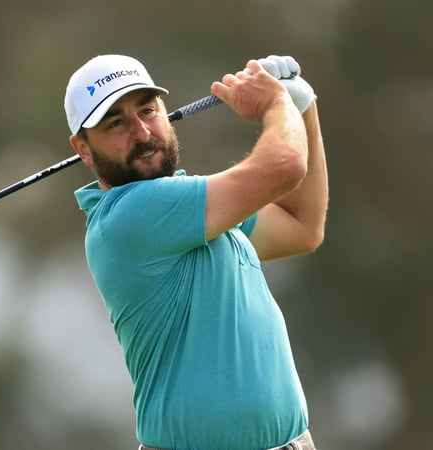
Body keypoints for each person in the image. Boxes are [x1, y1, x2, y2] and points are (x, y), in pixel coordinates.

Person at [64, 53, 327, 450]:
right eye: (115, 123)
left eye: (148, 110)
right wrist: (276, 105)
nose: (141, 131)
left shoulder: (195, 211)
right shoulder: (130, 216)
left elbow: (302, 226)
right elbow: (286, 164)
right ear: (83, 149)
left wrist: (302, 108)